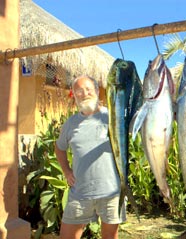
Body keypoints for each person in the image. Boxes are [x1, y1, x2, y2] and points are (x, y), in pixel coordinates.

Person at [55, 75, 122, 239]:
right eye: (78, 90)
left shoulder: (113, 117)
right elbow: (59, 147)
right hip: (80, 192)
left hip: (111, 192)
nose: (84, 93)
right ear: (74, 95)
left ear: (97, 91)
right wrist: (66, 170)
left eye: (88, 89)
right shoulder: (71, 123)